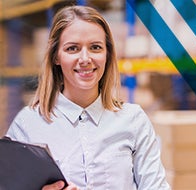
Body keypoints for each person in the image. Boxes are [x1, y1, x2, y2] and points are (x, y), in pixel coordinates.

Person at [5, 5, 170, 190]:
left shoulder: (133, 120)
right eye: (73, 48)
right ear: (56, 57)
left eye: (95, 47)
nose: (85, 58)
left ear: (107, 54)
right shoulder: (28, 124)